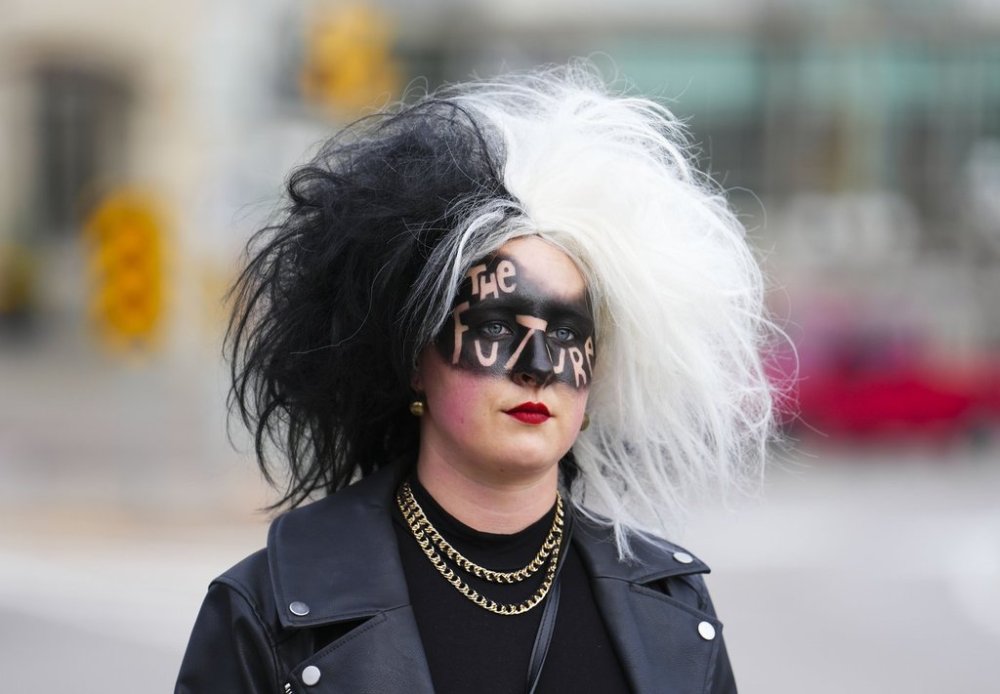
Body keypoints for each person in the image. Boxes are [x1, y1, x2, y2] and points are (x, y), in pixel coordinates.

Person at [176, 63, 774, 694]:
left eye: (566, 333)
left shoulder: (672, 608)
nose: (537, 368)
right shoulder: (270, 610)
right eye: (494, 327)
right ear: (416, 360)